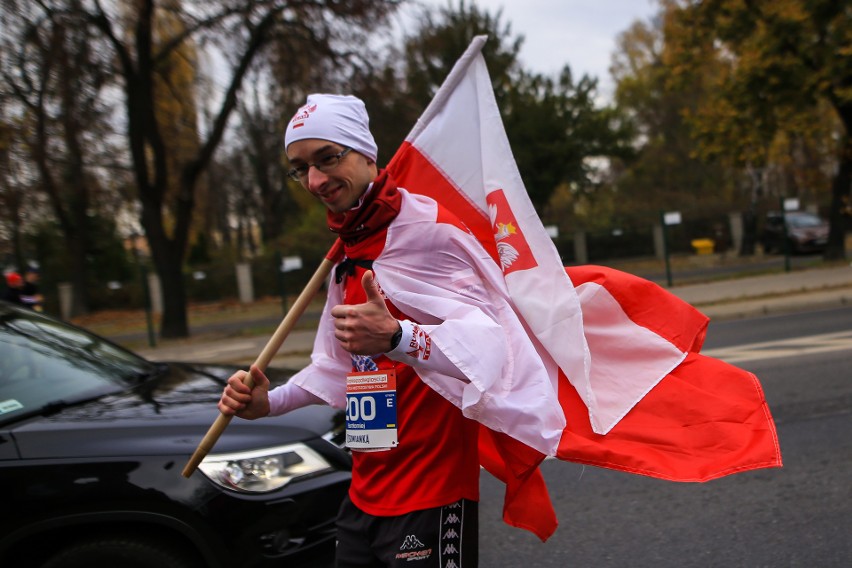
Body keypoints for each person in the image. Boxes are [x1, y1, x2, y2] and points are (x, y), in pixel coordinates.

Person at [218, 94, 561, 568]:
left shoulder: (428, 231)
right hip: (363, 496)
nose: (315, 180)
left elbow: (490, 346)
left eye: (327, 158)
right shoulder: (347, 250)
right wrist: (269, 403)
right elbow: (339, 368)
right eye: (301, 168)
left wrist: (399, 337)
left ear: (366, 153)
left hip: (431, 494)